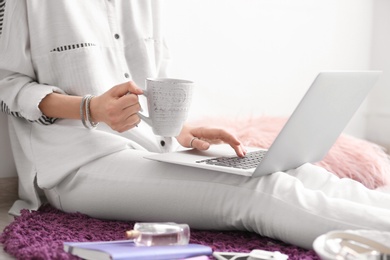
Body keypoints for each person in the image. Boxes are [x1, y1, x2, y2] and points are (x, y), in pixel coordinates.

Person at [1, 1, 390, 250]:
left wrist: (182, 129)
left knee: (294, 170)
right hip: (76, 165)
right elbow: (7, 84)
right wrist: (91, 109)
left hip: (151, 148)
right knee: (259, 190)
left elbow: (152, 81)